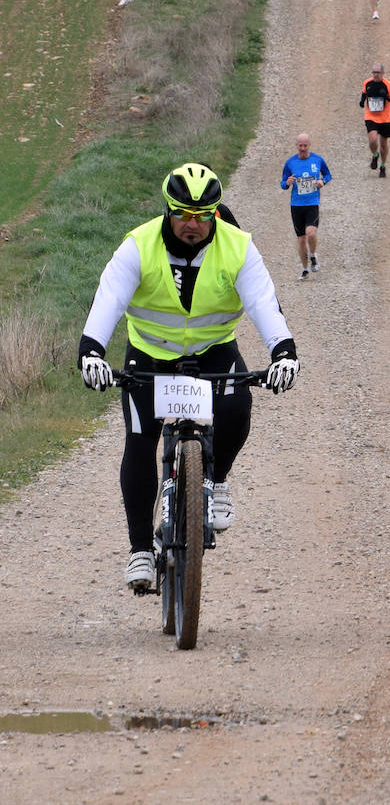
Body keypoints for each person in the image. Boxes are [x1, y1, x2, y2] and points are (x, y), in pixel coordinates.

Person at [77, 162, 300, 591]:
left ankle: (216, 482)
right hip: (150, 354)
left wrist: (283, 352)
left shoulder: (238, 247)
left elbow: (264, 304)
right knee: (140, 441)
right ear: (168, 210)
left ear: (216, 212)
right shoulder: (138, 246)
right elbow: (107, 300)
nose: (192, 224)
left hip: (213, 350)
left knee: (237, 405)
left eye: (202, 216)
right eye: (182, 214)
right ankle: (140, 549)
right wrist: (92, 352)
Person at [280, 133, 332, 280]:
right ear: (296, 146)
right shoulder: (290, 163)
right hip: (296, 205)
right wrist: (287, 183)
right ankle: (305, 269)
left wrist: (323, 182)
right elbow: (283, 184)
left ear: (309, 145)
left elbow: (328, 175)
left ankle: (313, 255)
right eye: (300, 145)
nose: (302, 148)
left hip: (312, 203)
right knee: (301, 239)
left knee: (311, 233)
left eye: (305, 145)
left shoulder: (317, 160)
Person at [360, 62, 390, 176]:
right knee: (372, 140)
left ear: (383, 73)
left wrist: (386, 96)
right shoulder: (367, 82)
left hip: (385, 119)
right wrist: (362, 102)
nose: (376, 75)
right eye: (374, 72)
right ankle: (375, 155)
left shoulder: (388, 85)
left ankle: (383, 165)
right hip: (371, 116)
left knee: (383, 144)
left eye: (378, 72)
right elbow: (364, 93)